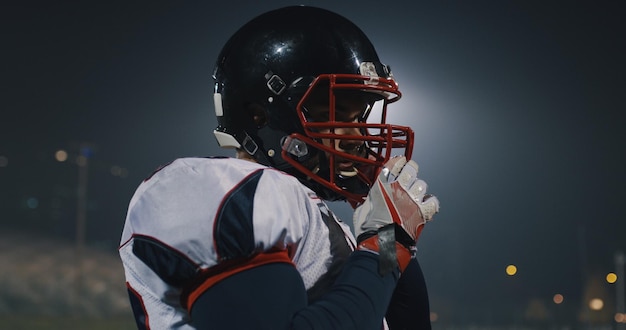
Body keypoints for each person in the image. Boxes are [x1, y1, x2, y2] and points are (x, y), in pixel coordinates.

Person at [119, 5, 440, 330]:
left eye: (359, 118)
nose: (357, 136)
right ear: (260, 115)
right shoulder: (216, 192)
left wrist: (388, 241)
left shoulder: (319, 220)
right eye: (337, 114)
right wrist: (376, 250)